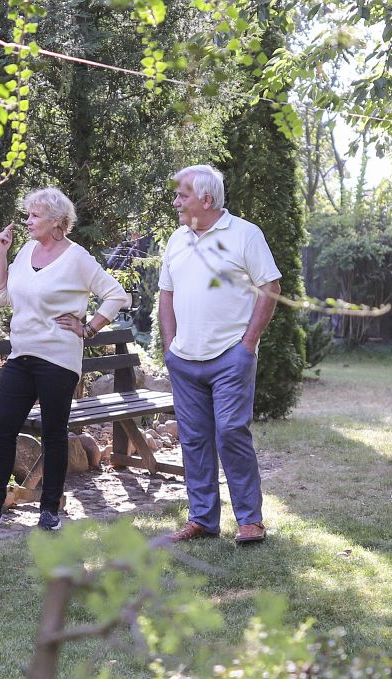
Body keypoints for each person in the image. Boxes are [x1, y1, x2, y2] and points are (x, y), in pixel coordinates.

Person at [0, 187, 130, 533]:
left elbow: (116, 294)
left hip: (58, 358)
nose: (27, 221)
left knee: (54, 433)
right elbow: (1, 297)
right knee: (5, 426)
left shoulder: (77, 257)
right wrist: (1, 252)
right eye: (28, 215)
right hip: (21, 354)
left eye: (34, 216)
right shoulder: (25, 250)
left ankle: (49, 509)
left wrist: (89, 328)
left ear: (56, 221)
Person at [158, 165, 281, 545]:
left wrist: (248, 345)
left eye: (183, 195)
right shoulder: (177, 240)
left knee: (230, 432)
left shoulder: (245, 234)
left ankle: (250, 520)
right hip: (185, 360)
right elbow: (166, 294)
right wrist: (170, 347)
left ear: (207, 200)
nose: (176, 201)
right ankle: (203, 519)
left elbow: (270, 286)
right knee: (193, 440)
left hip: (230, 356)